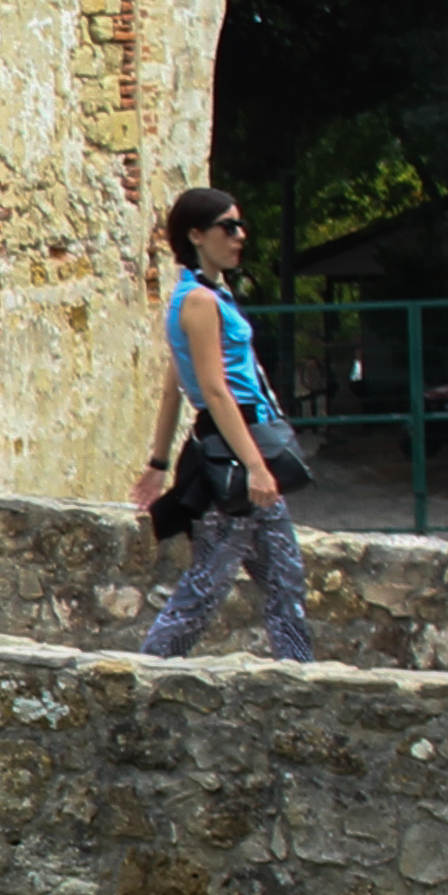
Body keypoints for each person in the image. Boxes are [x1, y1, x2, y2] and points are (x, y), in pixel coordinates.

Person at [131, 186, 315, 663]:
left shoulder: (212, 294)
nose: (240, 236)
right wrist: (255, 466)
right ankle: (148, 671)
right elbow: (212, 391)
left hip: (239, 445)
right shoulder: (198, 302)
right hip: (232, 454)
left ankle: (300, 677)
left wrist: (157, 461)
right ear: (196, 235)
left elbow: (174, 382)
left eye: (240, 225)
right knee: (207, 586)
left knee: (284, 577)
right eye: (227, 227)